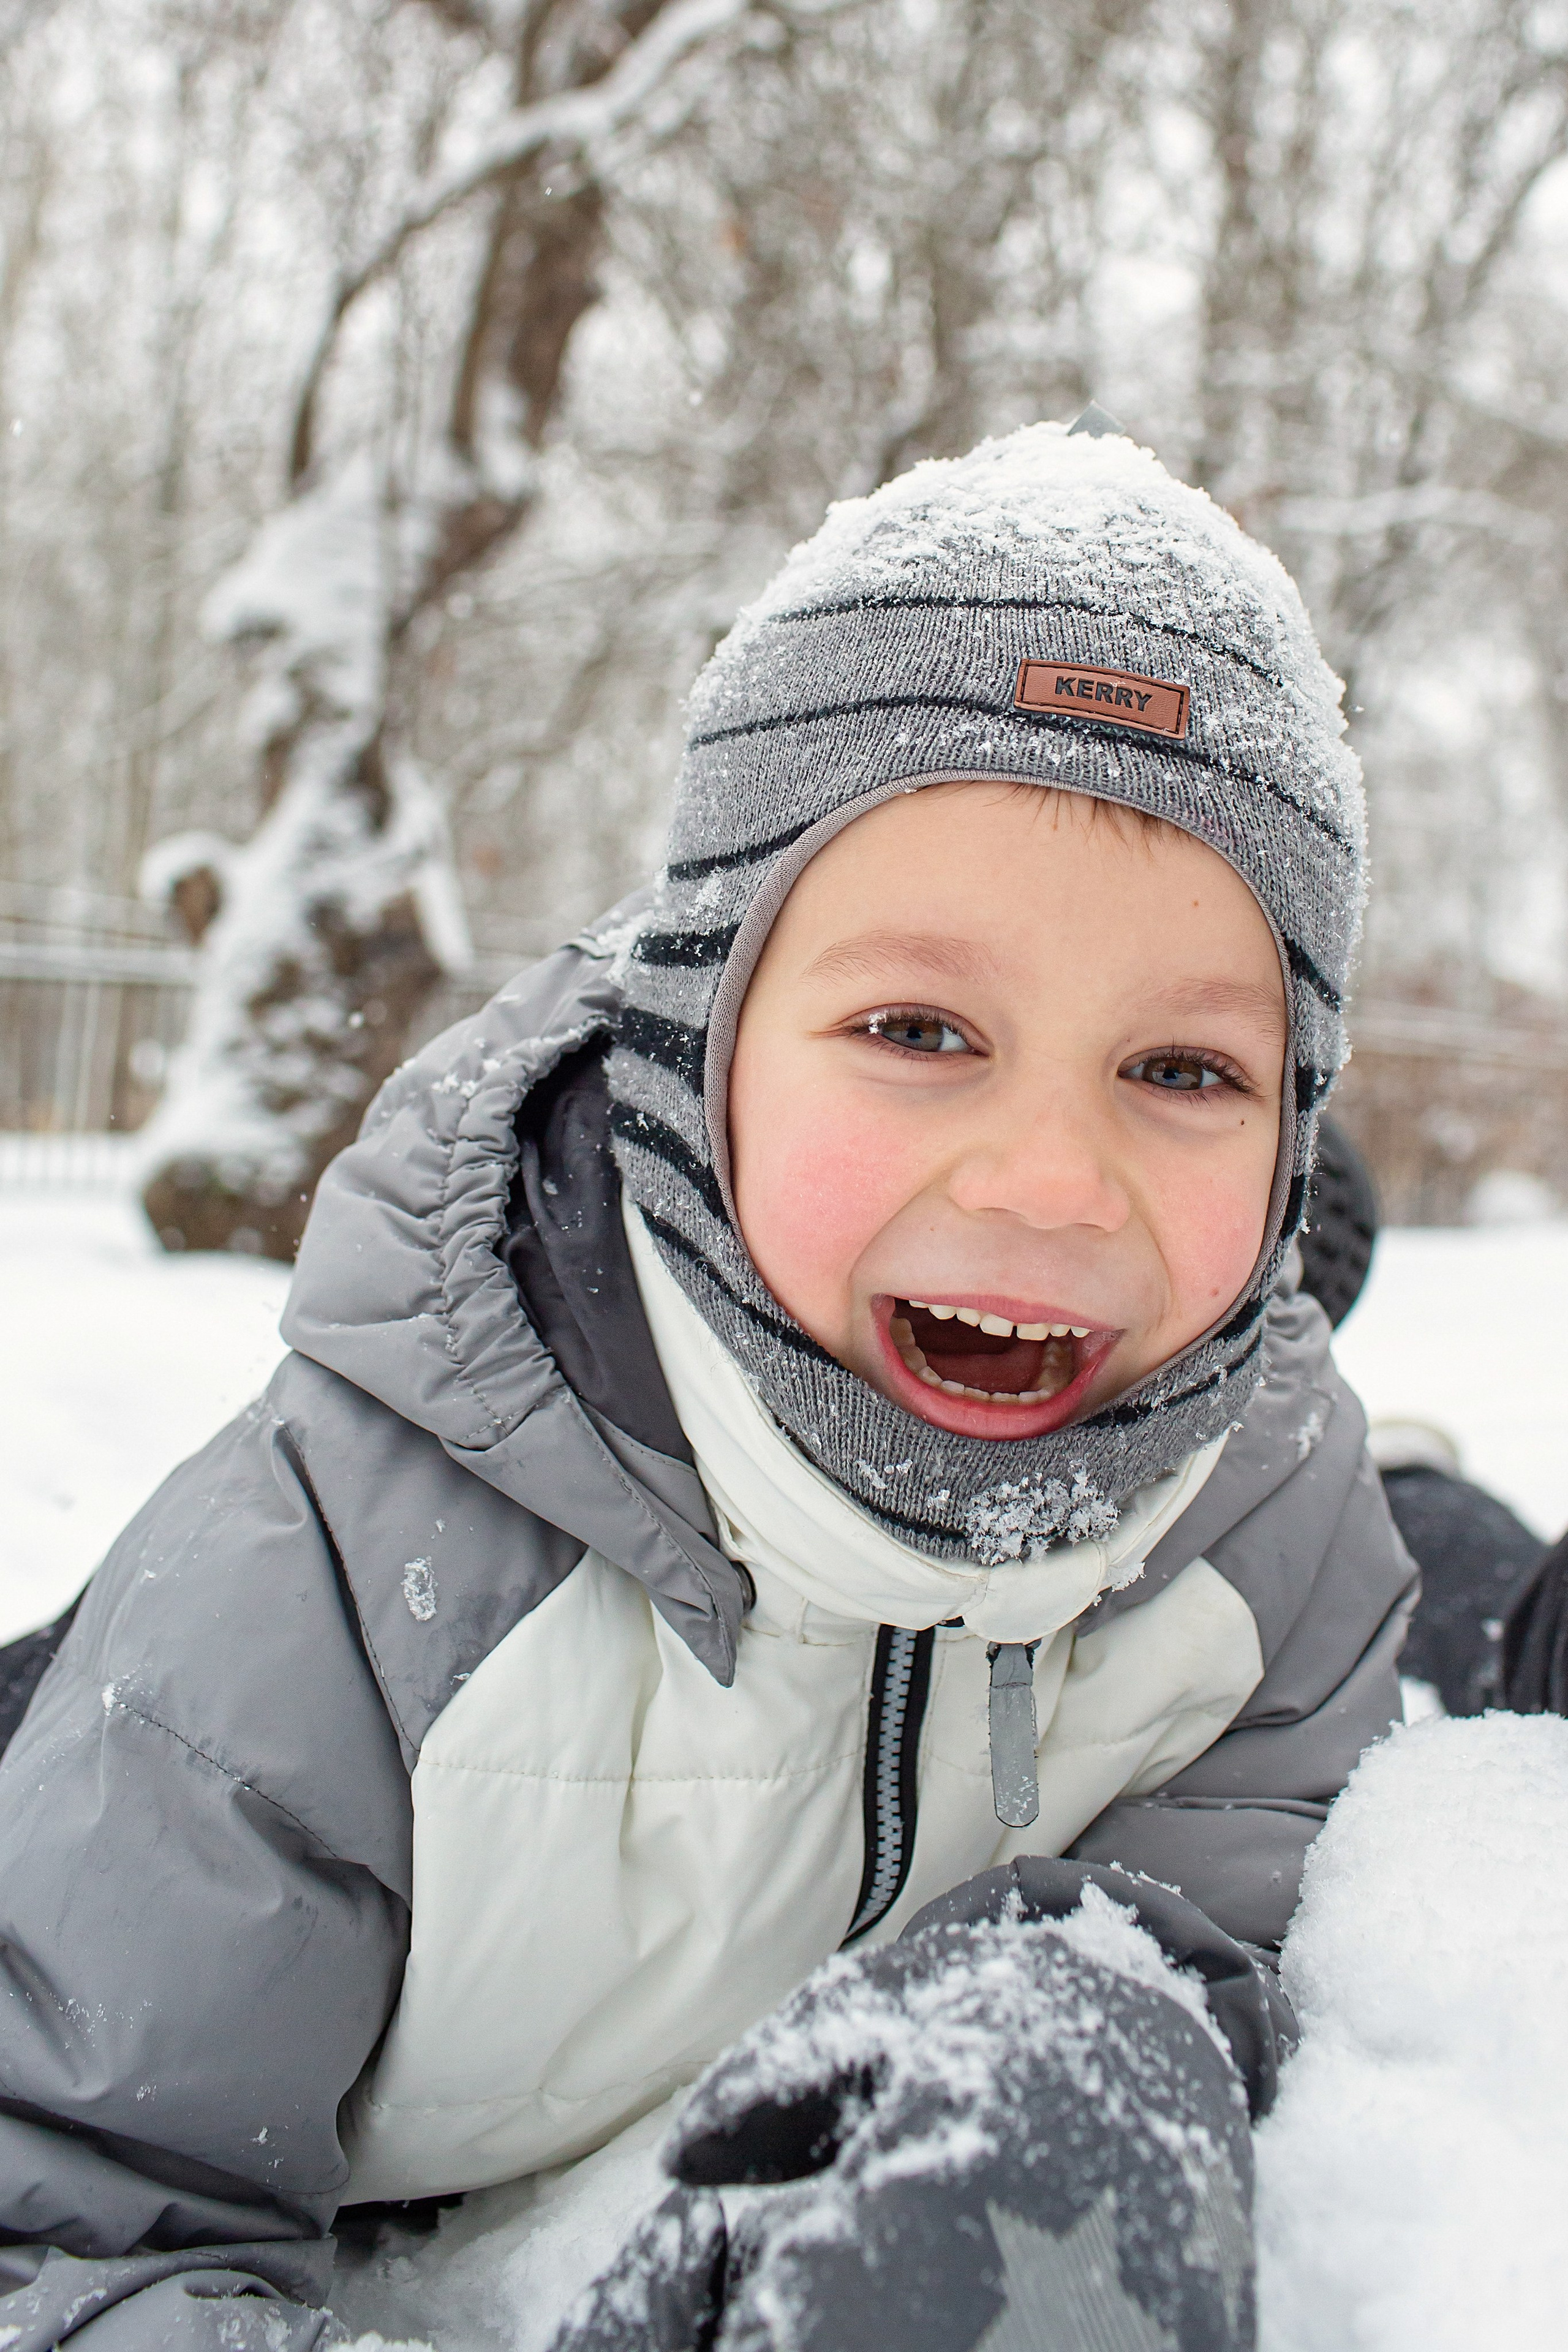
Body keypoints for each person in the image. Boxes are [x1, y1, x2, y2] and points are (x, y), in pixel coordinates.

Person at [0, 415, 1415, 2352]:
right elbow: (58, 2223)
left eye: (1184, 1073)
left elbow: (1212, 1959)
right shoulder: (339, 1576)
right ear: (694, 1044)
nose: (1049, 1180)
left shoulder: (1276, 1527)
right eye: (920, 1030)